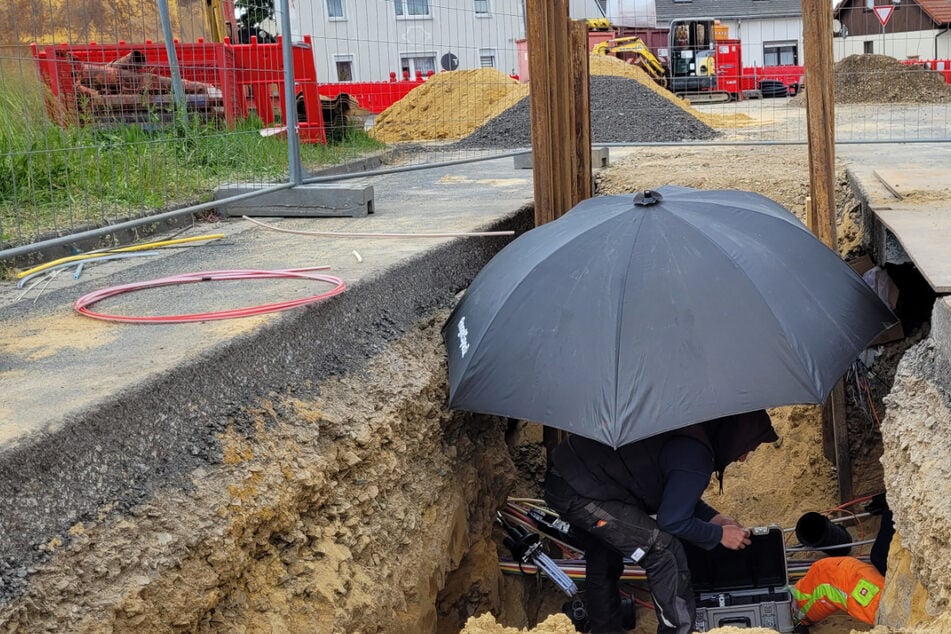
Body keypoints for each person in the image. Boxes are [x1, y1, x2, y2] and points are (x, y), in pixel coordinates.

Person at [543, 410, 779, 634]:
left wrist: (715, 519)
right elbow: (672, 521)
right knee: (663, 549)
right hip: (579, 490)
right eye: (748, 448)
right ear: (733, 436)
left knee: (605, 554)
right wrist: (720, 535)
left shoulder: (690, 431)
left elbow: (674, 494)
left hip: (571, 475)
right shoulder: (697, 455)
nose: (743, 458)